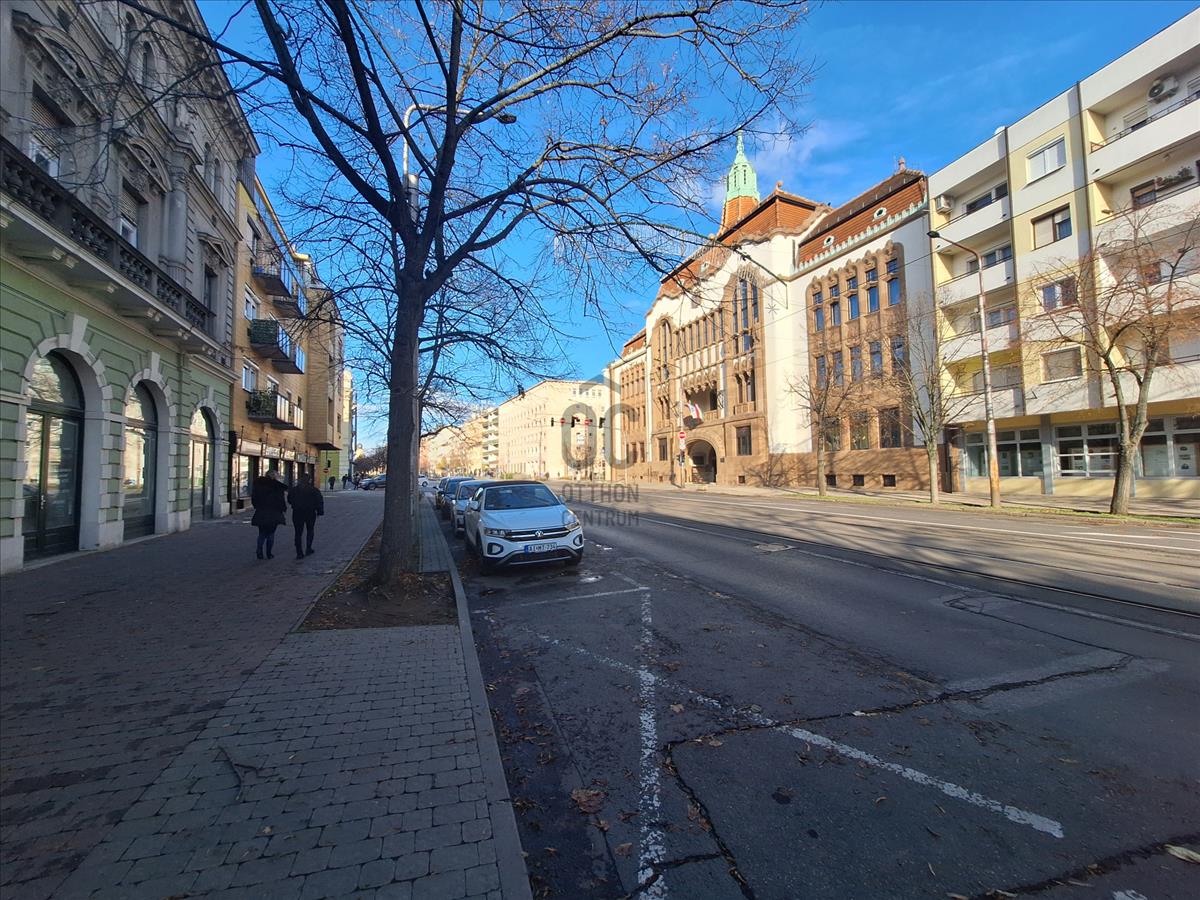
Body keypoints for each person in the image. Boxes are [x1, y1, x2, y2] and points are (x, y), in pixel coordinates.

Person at [250, 471, 287, 560]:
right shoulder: (277, 486)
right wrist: (283, 509)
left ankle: (259, 551)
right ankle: (269, 553)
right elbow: (281, 500)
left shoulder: (259, 485)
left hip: (261, 512)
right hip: (274, 513)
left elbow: (254, 498)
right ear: (274, 477)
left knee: (262, 533)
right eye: (277, 476)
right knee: (271, 533)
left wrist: (257, 506)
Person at [287, 475, 325, 559]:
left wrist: (295, 504)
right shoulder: (314, 490)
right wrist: (320, 511)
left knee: (298, 532)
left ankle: (299, 552)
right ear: (309, 481)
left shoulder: (294, 490)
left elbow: (289, 499)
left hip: (297, 512)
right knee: (310, 530)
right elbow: (319, 501)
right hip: (310, 512)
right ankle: (308, 548)